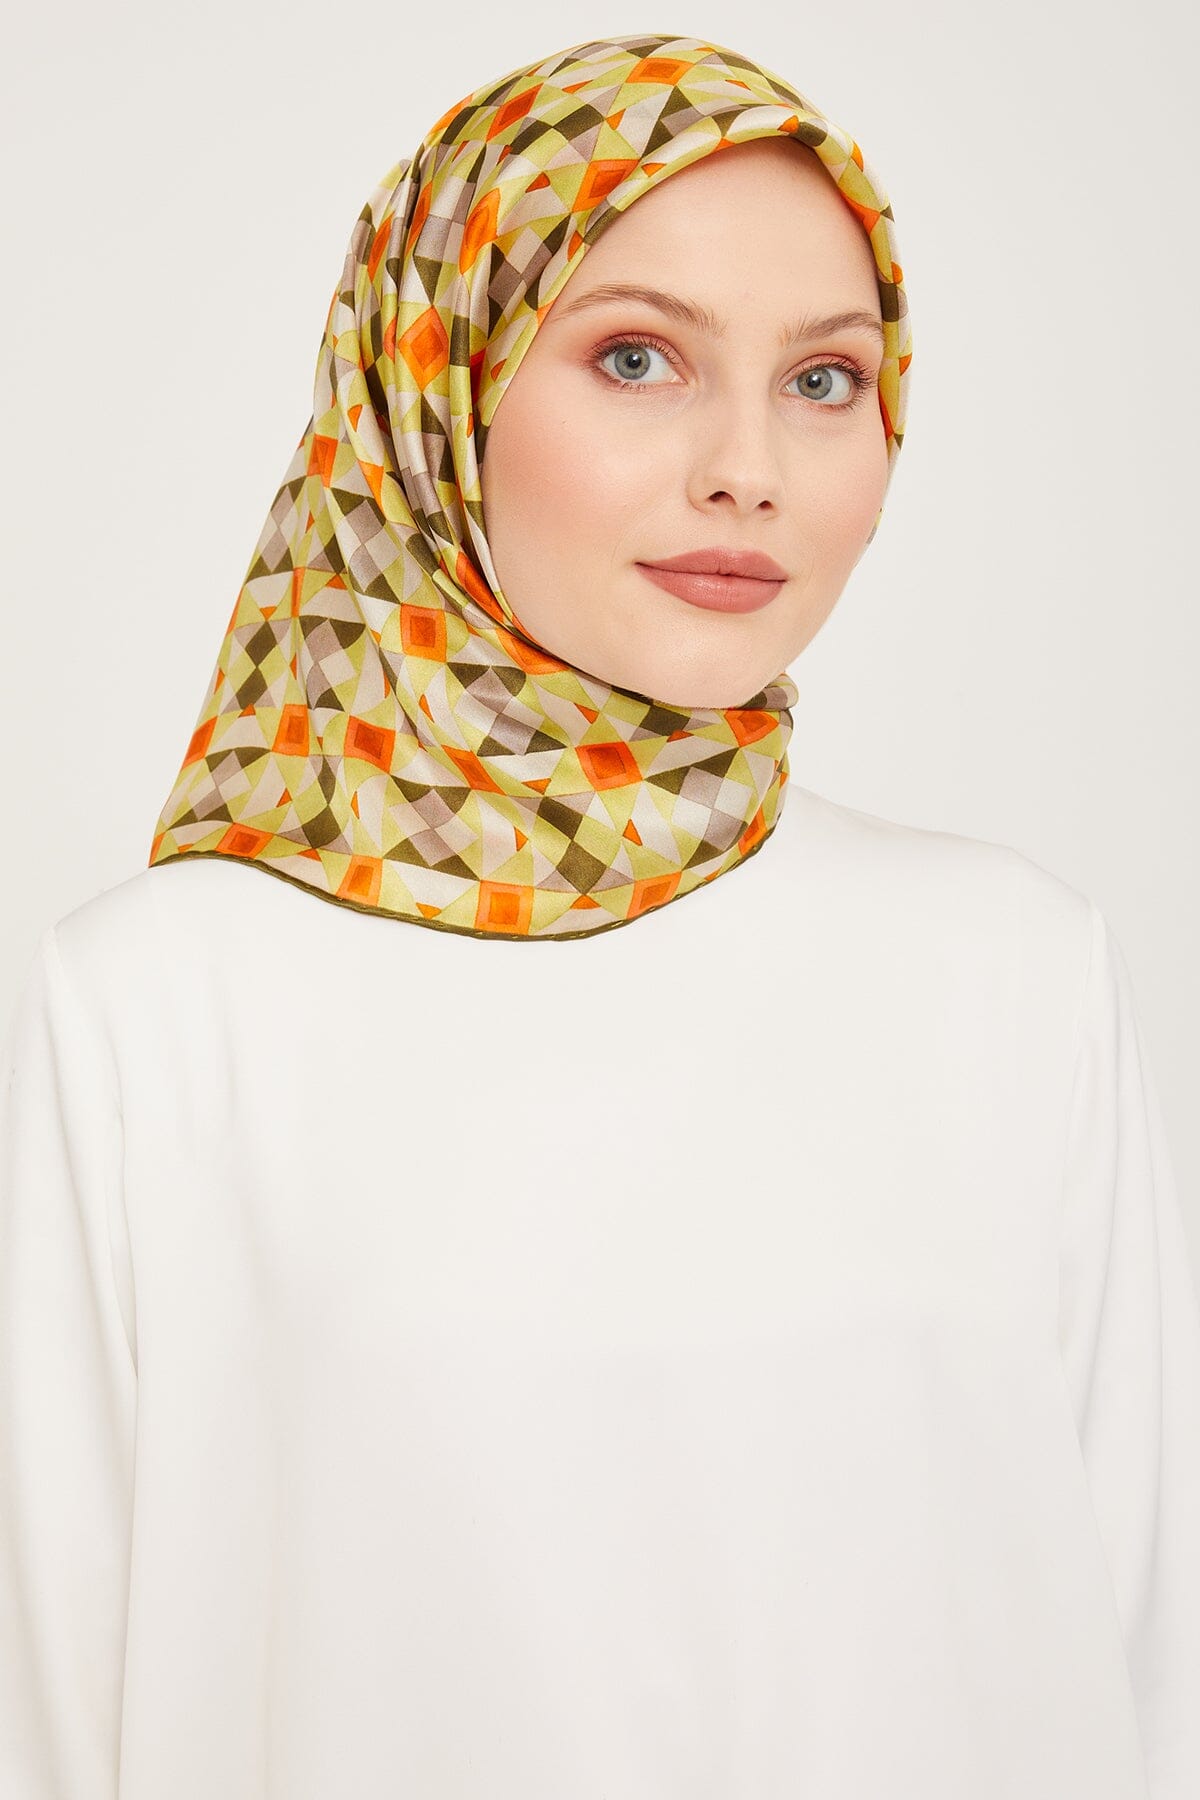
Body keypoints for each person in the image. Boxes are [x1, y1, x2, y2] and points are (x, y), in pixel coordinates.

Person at [1, 29, 1197, 1799]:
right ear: (441, 372)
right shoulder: (153, 1011)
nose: (747, 467)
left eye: (825, 378)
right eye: (638, 358)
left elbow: (1144, 1683)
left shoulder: (1018, 974)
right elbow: (49, 1718)